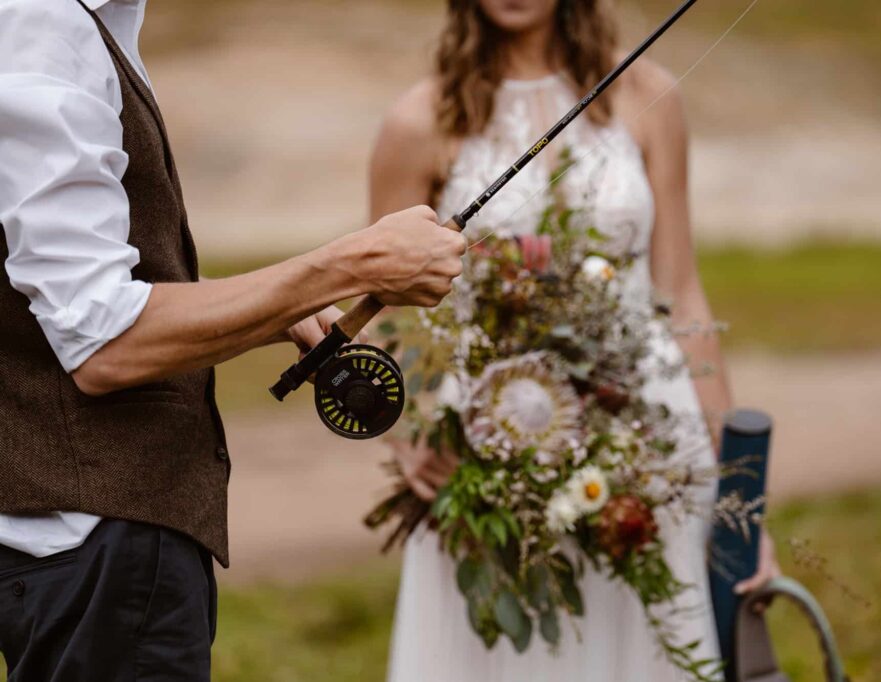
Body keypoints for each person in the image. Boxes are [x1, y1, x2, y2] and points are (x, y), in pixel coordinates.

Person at [0, 0, 466, 680]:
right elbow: (104, 345)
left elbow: (54, 281)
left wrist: (271, 310)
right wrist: (349, 265)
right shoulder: (46, 27)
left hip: (59, 549)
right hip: (100, 553)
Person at [369, 1, 780, 679]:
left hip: (647, 437)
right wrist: (411, 425)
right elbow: (383, 305)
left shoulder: (649, 94)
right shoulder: (419, 120)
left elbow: (681, 292)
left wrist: (741, 500)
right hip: (489, 443)